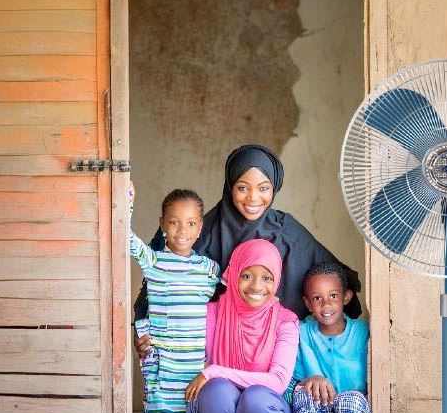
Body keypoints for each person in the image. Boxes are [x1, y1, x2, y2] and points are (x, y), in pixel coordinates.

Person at [134, 144, 362, 360]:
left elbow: (330, 276)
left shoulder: (286, 229)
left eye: (263, 188)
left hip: (275, 353)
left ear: (274, 188)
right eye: (243, 187)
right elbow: (162, 273)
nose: (253, 197)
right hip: (217, 351)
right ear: (230, 186)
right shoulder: (205, 230)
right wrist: (142, 327)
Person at [184, 239, 299, 413]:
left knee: (255, 396)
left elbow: (278, 382)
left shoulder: (285, 321)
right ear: (233, 274)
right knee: (214, 392)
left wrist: (214, 370)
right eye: (247, 276)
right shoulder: (212, 314)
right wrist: (143, 339)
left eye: (267, 278)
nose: (257, 287)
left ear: (277, 280)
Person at [129, 187, 219, 413]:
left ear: (200, 227)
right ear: (162, 224)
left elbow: (231, 300)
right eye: (174, 222)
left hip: (194, 360)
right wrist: (126, 204)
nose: (182, 230)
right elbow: (127, 239)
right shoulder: (153, 261)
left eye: (191, 223)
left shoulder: (209, 269)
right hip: (160, 356)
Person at [288, 262, 372, 413]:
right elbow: (289, 381)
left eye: (333, 296)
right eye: (317, 298)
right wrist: (310, 379)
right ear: (308, 303)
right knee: (303, 393)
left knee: (349, 399)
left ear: (346, 297)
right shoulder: (301, 333)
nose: (326, 305)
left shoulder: (362, 332)